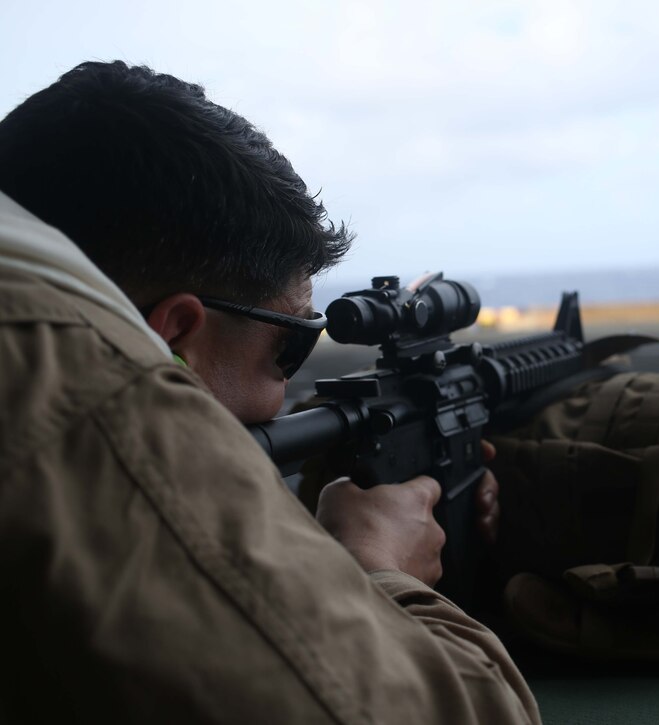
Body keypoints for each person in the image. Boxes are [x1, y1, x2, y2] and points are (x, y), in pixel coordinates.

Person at [0, 61, 538, 723]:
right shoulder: (89, 399)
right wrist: (375, 568)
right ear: (175, 331)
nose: (281, 402)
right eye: (290, 348)